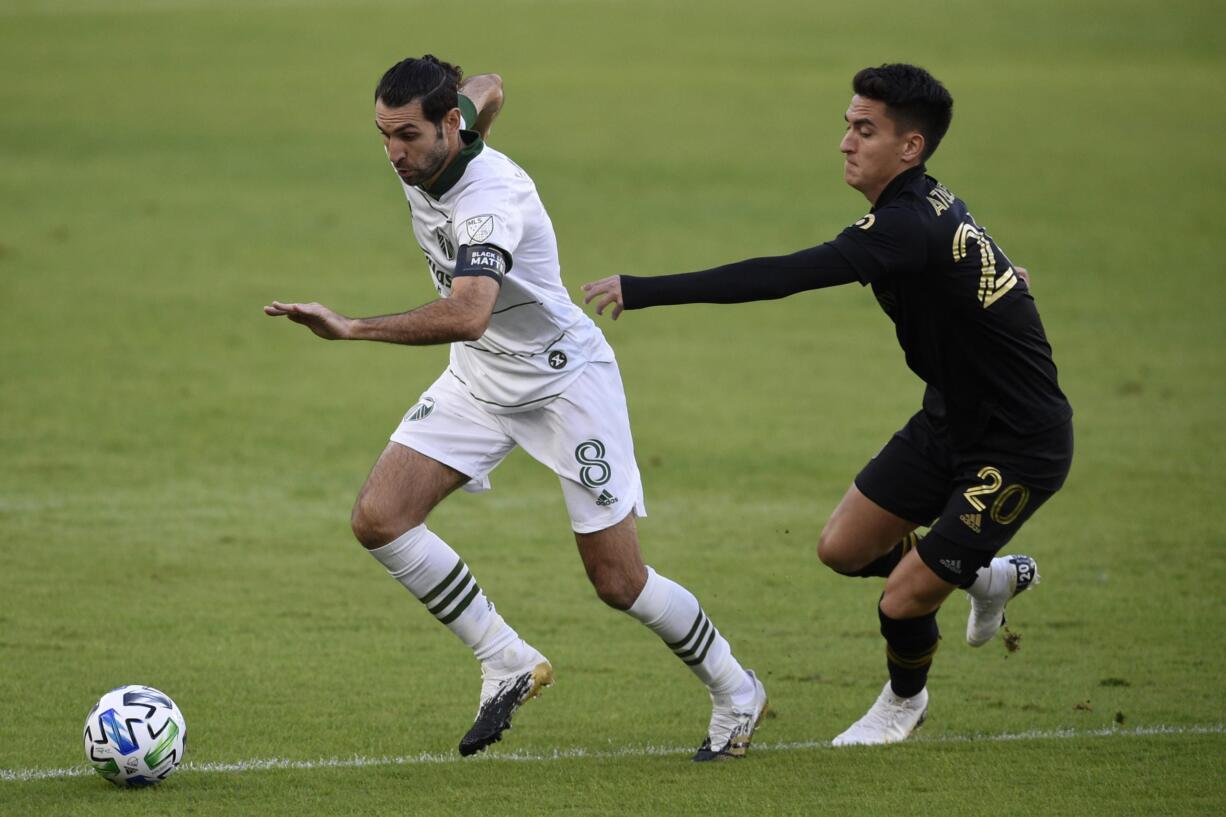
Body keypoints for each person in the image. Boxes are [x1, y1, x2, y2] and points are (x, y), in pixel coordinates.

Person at [264, 55, 767, 760]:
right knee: (380, 518)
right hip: (480, 379)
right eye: (382, 135)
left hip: (564, 383)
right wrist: (472, 110)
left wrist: (350, 327)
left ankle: (737, 687)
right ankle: (505, 659)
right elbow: (490, 83)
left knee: (618, 580)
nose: (393, 154)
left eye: (406, 135)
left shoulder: (491, 198)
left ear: (444, 127)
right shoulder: (440, 137)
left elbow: (469, 313)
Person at [582, 63, 1073, 746]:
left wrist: (644, 287)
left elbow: (782, 276)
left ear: (911, 148)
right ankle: (984, 575)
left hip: (1019, 444)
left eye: (865, 130)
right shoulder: (922, 207)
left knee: (901, 598)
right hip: (950, 419)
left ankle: (904, 700)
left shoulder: (904, 227)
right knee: (843, 547)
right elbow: (990, 274)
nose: (845, 140)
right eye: (847, 124)